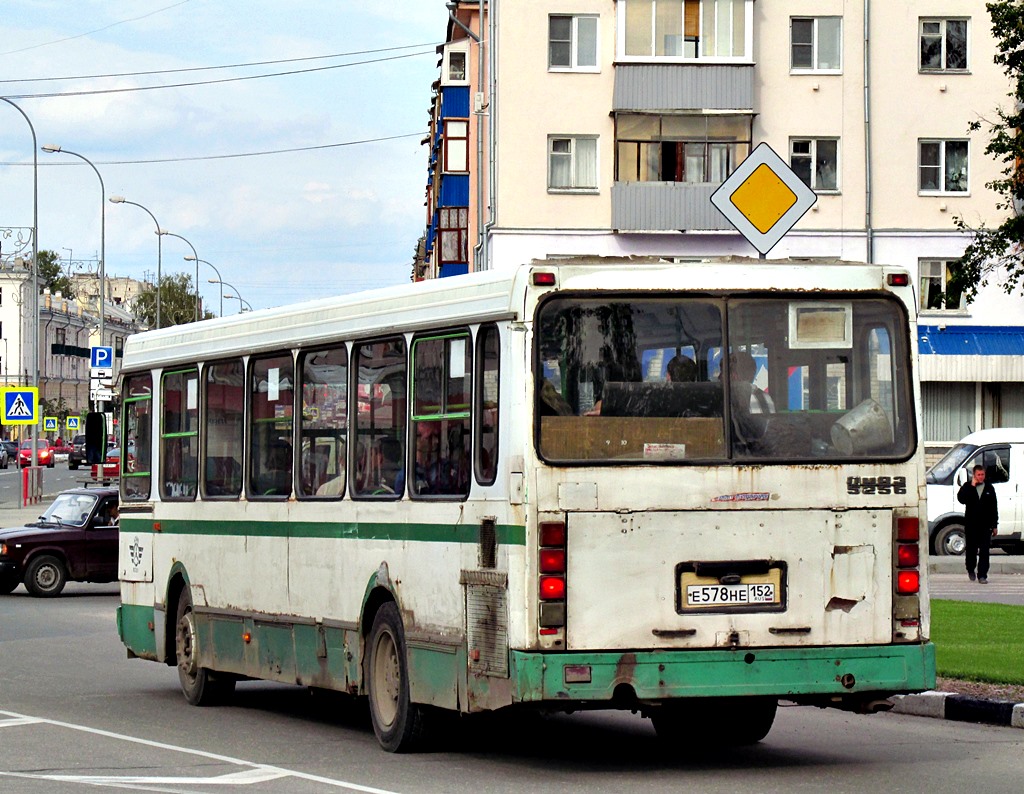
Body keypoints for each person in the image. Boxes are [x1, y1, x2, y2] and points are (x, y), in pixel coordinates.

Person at [957, 464, 998, 583]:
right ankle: (970, 569)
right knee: (971, 550)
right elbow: (962, 499)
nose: (981, 477)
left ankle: (982, 575)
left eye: (982, 475)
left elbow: (993, 507)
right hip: (971, 525)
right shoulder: (967, 486)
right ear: (974, 475)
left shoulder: (989, 488)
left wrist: (994, 525)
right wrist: (972, 486)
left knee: (984, 551)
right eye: (978, 475)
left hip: (985, 525)